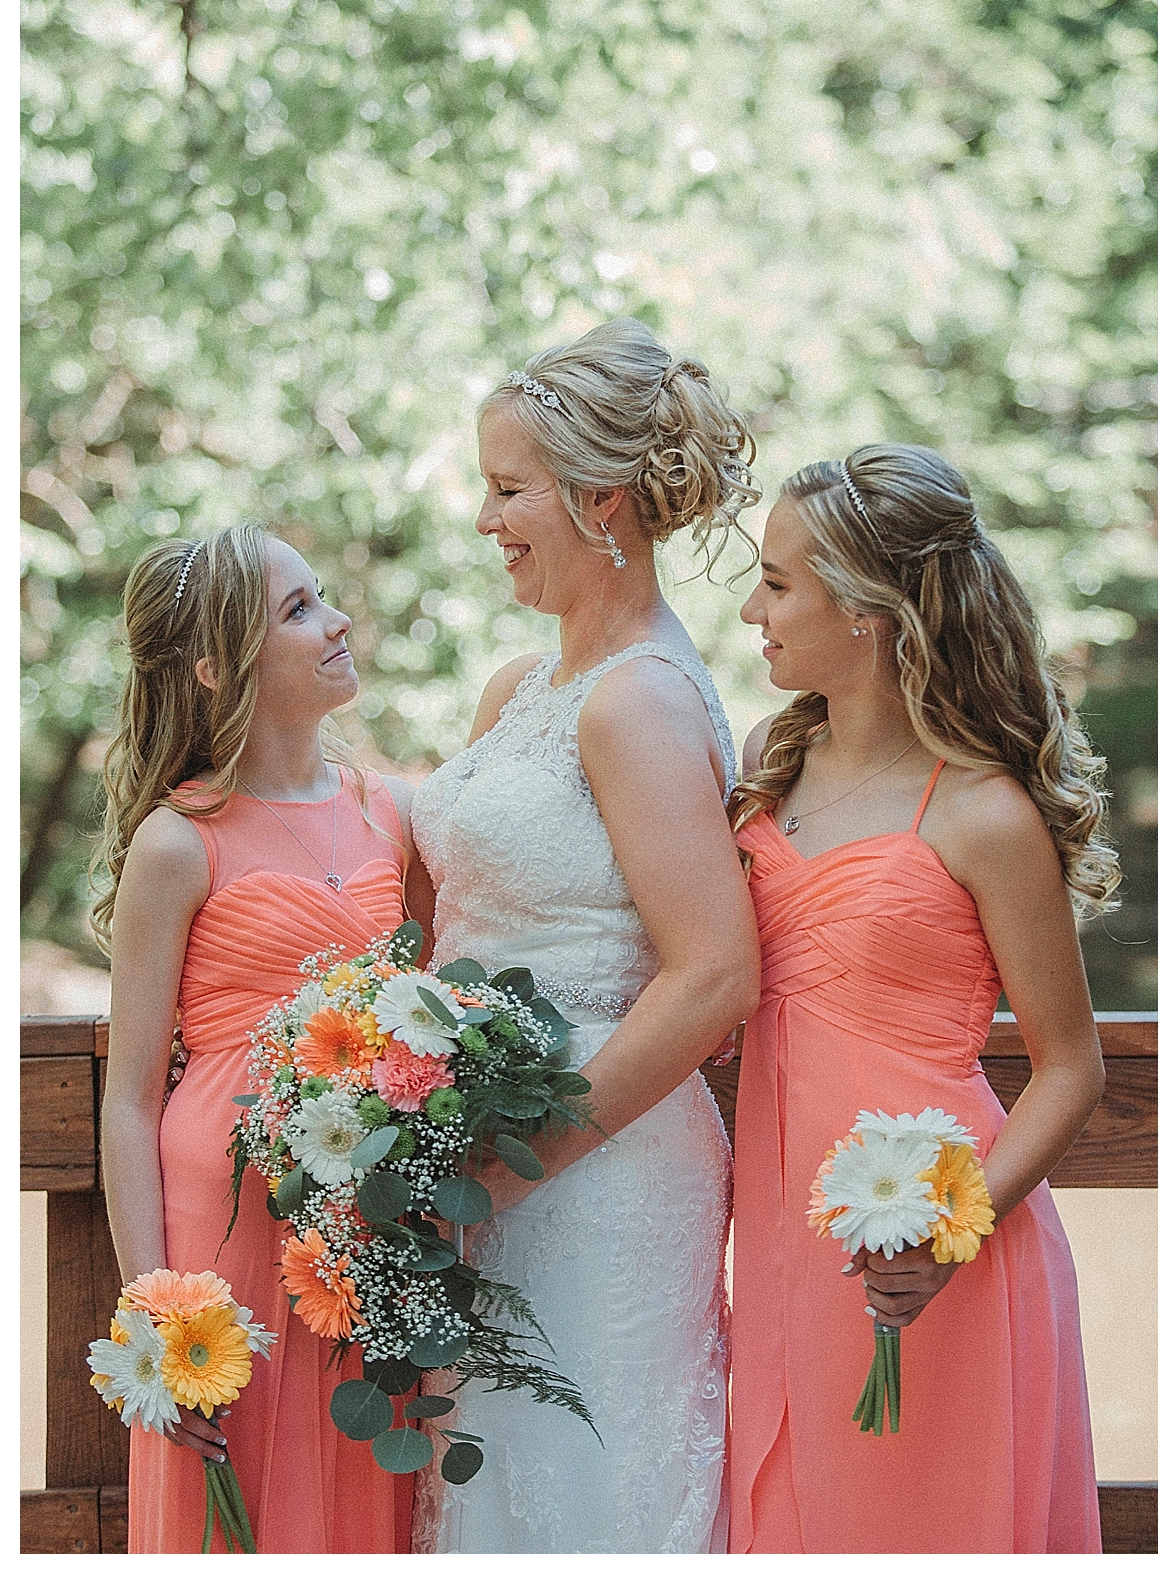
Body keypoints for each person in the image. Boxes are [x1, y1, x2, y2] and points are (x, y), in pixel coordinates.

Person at [408, 317, 761, 1552]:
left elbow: (715, 969)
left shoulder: (640, 701)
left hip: (595, 1170)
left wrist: (518, 1155)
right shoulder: (524, 686)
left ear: (599, 496)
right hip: (481, 1158)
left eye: (508, 490)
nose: (487, 518)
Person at [725, 445, 1110, 1552]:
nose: (753, 606)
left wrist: (949, 1232)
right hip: (786, 1233)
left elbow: (1070, 1065)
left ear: (871, 611)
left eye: (780, 580)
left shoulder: (984, 814)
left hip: (935, 1247)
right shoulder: (769, 764)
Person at [96, 524, 426, 1553]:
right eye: (298, 611)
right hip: (221, 1228)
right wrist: (155, 1312)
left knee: (360, 1492)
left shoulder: (394, 816)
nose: (336, 623)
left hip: (360, 1225)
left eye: (321, 597)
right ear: (214, 667)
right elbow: (132, 1098)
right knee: (226, 1508)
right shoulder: (177, 839)